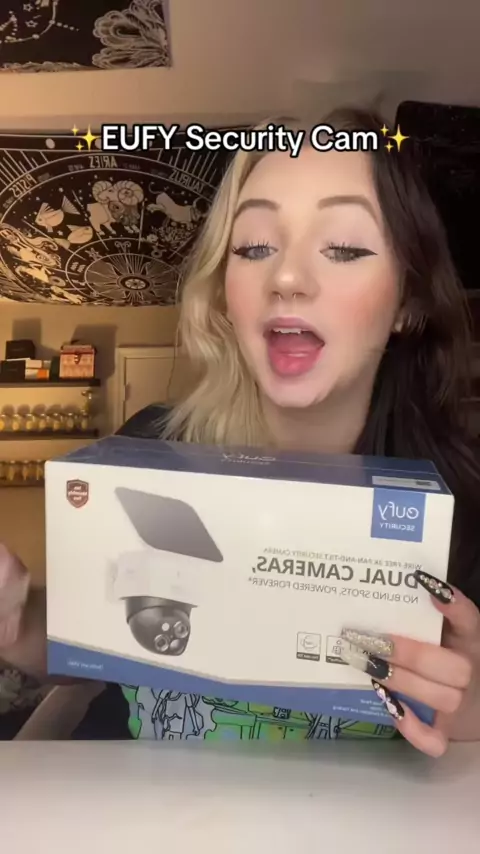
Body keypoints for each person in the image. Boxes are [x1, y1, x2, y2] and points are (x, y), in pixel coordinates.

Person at [1, 107, 479, 755]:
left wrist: (469, 706)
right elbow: (91, 655)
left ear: (409, 302)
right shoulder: (151, 448)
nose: (286, 278)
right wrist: (15, 622)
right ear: (225, 293)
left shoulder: (463, 504)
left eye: (343, 248)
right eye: (254, 247)